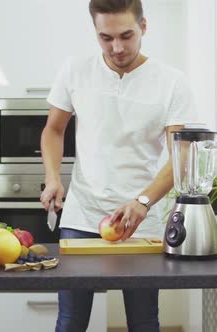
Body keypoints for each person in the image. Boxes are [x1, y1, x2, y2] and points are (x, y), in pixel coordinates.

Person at [40, 0, 196, 331]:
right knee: (70, 321)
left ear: (143, 26)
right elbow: (54, 130)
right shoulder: (74, 70)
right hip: (82, 215)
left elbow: (179, 156)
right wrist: (52, 178)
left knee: (143, 321)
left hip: (141, 220)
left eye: (126, 35)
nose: (117, 47)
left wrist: (143, 202)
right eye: (106, 38)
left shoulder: (172, 82)